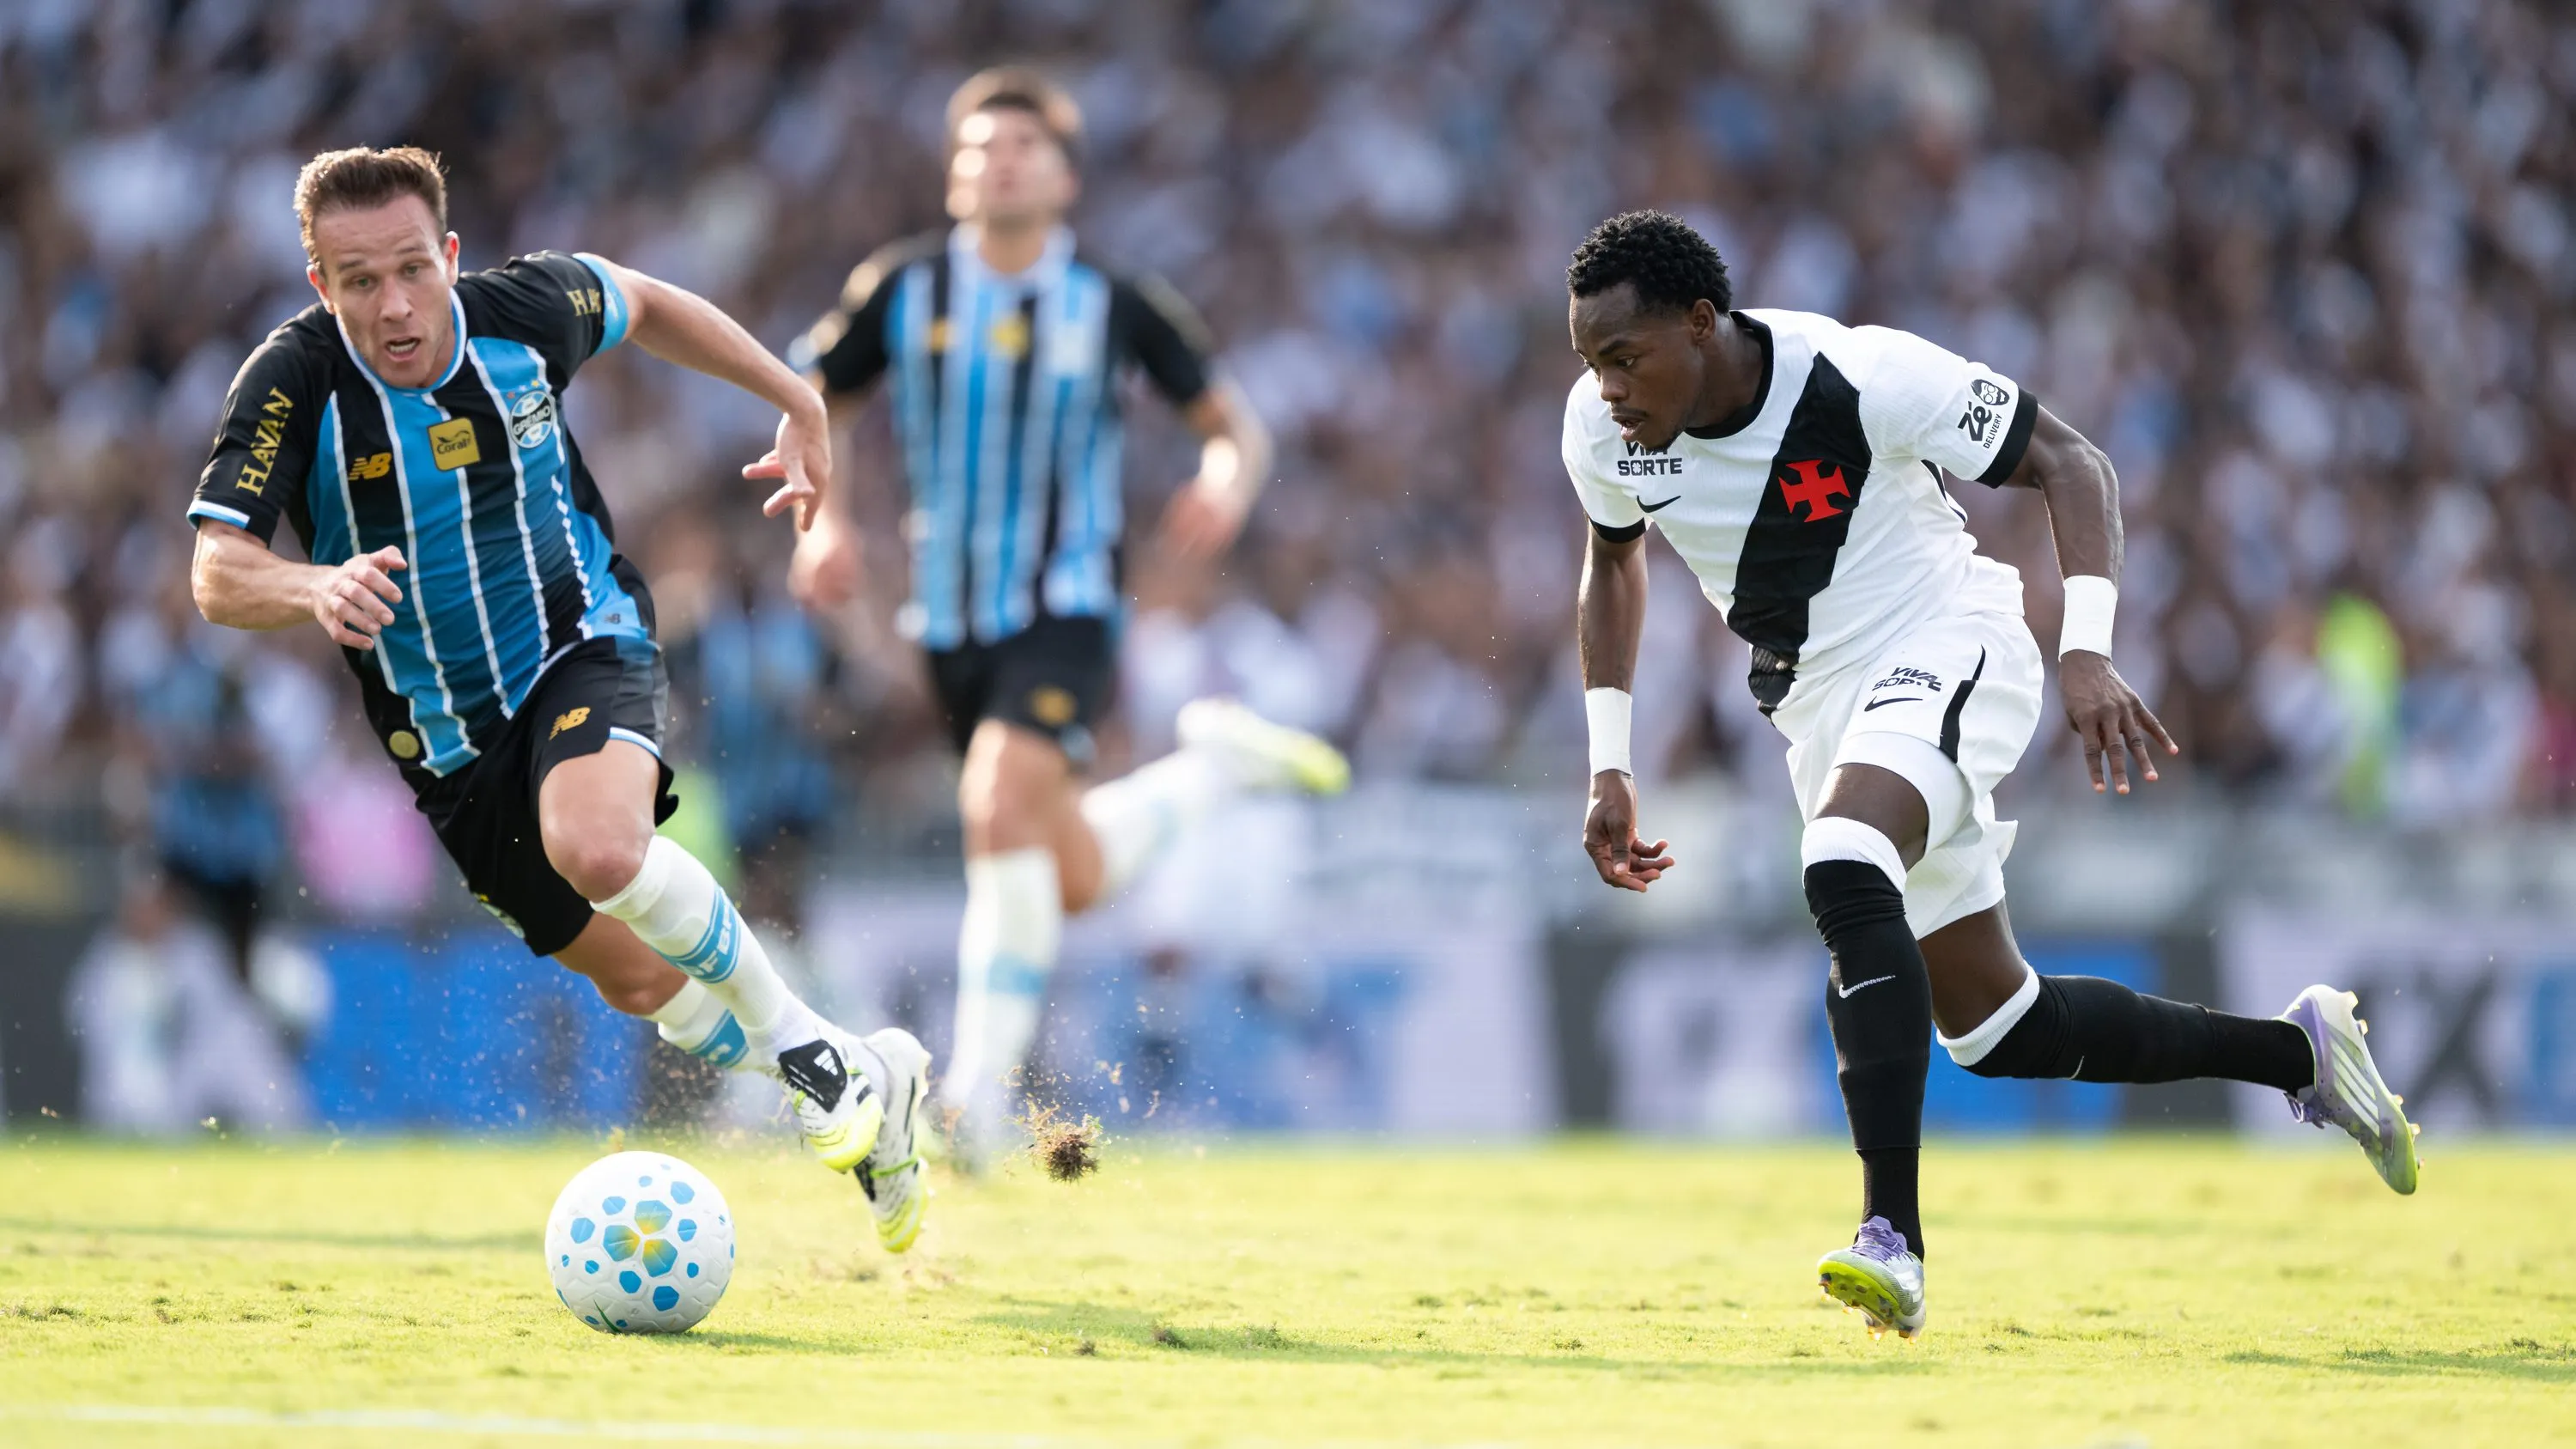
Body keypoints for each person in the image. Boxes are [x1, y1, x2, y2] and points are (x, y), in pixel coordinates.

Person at [1559, 210, 2417, 1340]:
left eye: (1625, 357)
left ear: (1702, 322)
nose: (1608, 387)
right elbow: (1611, 563)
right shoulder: (1604, 433)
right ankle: (2299, 1049)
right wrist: (1608, 760)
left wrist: (2090, 647)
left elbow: (2073, 459)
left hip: (1949, 634)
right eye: (1591, 362)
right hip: (1820, 701)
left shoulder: (1861, 376)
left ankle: (1892, 1239)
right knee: (1995, 1024)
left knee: (1841, 853)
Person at [185, 145, 930, 1251]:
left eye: (409, 270)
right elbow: (216, 569)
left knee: (597, 844)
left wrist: (794, 398)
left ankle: (817, 1066)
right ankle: (867, 1072)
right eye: (356, 281)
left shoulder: (523, 310)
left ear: (448, 256)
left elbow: (644, 300)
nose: (392, 306)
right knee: (643, 986)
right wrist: (312, 582)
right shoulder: (292, 384)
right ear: (319, 285)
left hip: (583, 638)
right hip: (447, 741)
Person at [787, 67, 1349, 1165]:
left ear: (1065, 177)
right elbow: (812, 401)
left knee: (996, 804)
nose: (998, 161)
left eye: (1022, 147)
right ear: (954, 178)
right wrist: (822, 521)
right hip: (946, 619)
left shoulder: (1114, 299)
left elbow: (1236, 428)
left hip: (1070, 605)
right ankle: (1213, 774)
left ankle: (977, 1101)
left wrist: (1226, 482)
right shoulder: (901, 287)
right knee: (1071, 872)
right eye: (976, 149)